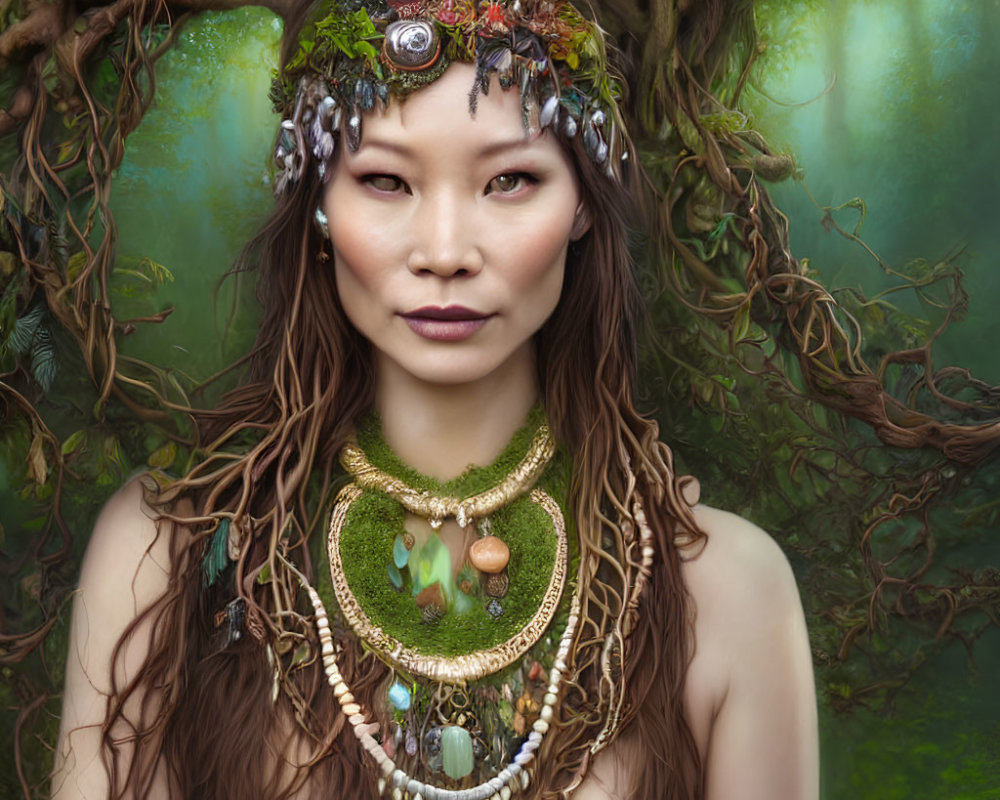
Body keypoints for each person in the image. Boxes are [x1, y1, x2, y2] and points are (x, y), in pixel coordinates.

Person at [52, 0, 818, 797]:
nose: (446, 252)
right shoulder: (161, 556)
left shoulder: (728, 592)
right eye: (385, 180)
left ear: (585, 202)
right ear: (317, 197)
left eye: (510, 180)